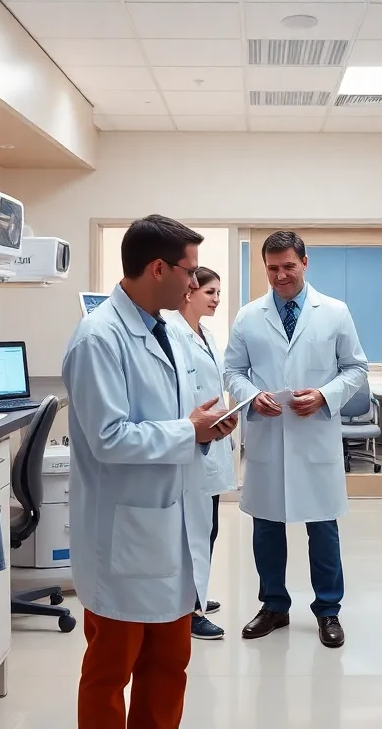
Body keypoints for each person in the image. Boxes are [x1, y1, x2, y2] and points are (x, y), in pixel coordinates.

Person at [63, 215, 237, 729]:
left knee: (168, 664)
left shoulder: (169, 332)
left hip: (172, 526)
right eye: (189, 271)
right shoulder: (100, 338)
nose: (194, 282)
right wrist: (192, 432)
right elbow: (109, 437)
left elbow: (181, 417)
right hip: (124, 537)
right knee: (111, 670)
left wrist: (207, 428)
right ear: (158, 268)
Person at [224, 230, 369, 649]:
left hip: (314, 435)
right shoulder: (249, 316)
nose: (281, 275)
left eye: (289, 266)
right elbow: (232, 371)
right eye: (272, 268)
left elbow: (355, 367)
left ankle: (328, 611)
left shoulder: (335, 312)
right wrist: (252, 397)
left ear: (305, 263)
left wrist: (325, 395)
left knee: (323, 530)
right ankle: (274, 606)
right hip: (269, 435)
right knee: (267, 528)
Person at [165, 266, 237, 640]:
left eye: (218, 292)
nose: (216, 298)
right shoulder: (173, 333)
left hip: (211, 443)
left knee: (207, 528)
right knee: (194, 532)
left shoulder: (206, 334)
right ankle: (190, 611)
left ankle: (198, 595)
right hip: (192, 442)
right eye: (209, 291)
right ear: (189, 292)